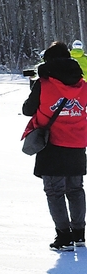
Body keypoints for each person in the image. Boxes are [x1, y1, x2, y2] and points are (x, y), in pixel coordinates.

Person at [22, 41, 87, 250]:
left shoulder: (44, 83)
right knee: (76, 189)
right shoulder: (83, 85)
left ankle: (63, 236)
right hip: (77, 142)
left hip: (52, 143)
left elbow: (27, 109)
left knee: (54, 191)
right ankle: (79, 234)